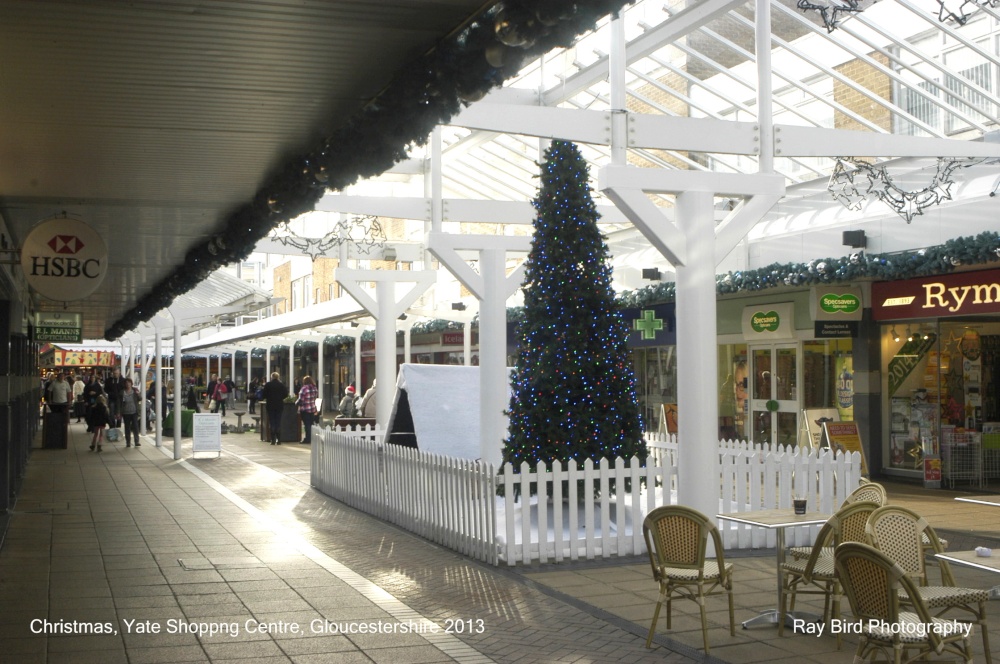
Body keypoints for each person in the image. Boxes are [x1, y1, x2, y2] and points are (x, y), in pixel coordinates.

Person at [261, 372, 288, 445]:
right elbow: (286, 394)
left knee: (272, 421)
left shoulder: (268, 385)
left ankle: (272, 440)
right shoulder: (281, 385)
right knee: (278, 421)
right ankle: (279, 440)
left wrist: (268, 397)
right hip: (279, 405)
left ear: (271, 377)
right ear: (278, 377)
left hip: (270, 405)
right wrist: (280, 398)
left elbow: (264, 395)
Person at [297, 376, 319, 444]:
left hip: (305, 409)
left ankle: (307, 438)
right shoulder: (314, 388)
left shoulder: (304, 388)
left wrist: (296, 403)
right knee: (311, 423)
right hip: (312, 408)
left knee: (306, 424)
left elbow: (301, 399)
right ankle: (311, 437)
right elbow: (315, 397)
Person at [120, 378, 142, 448]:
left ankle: (136, 441)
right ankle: (128, 442)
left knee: (135, 427)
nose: (128, 384)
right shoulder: (122, 392)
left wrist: (138, 394)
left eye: (129, 382)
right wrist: (119, 411)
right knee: (127, 427)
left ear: (131, 383)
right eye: (126, 383)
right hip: (125, 412)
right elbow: (119, 402)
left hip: (134, 411)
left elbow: (140, 398)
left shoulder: (135, 390)